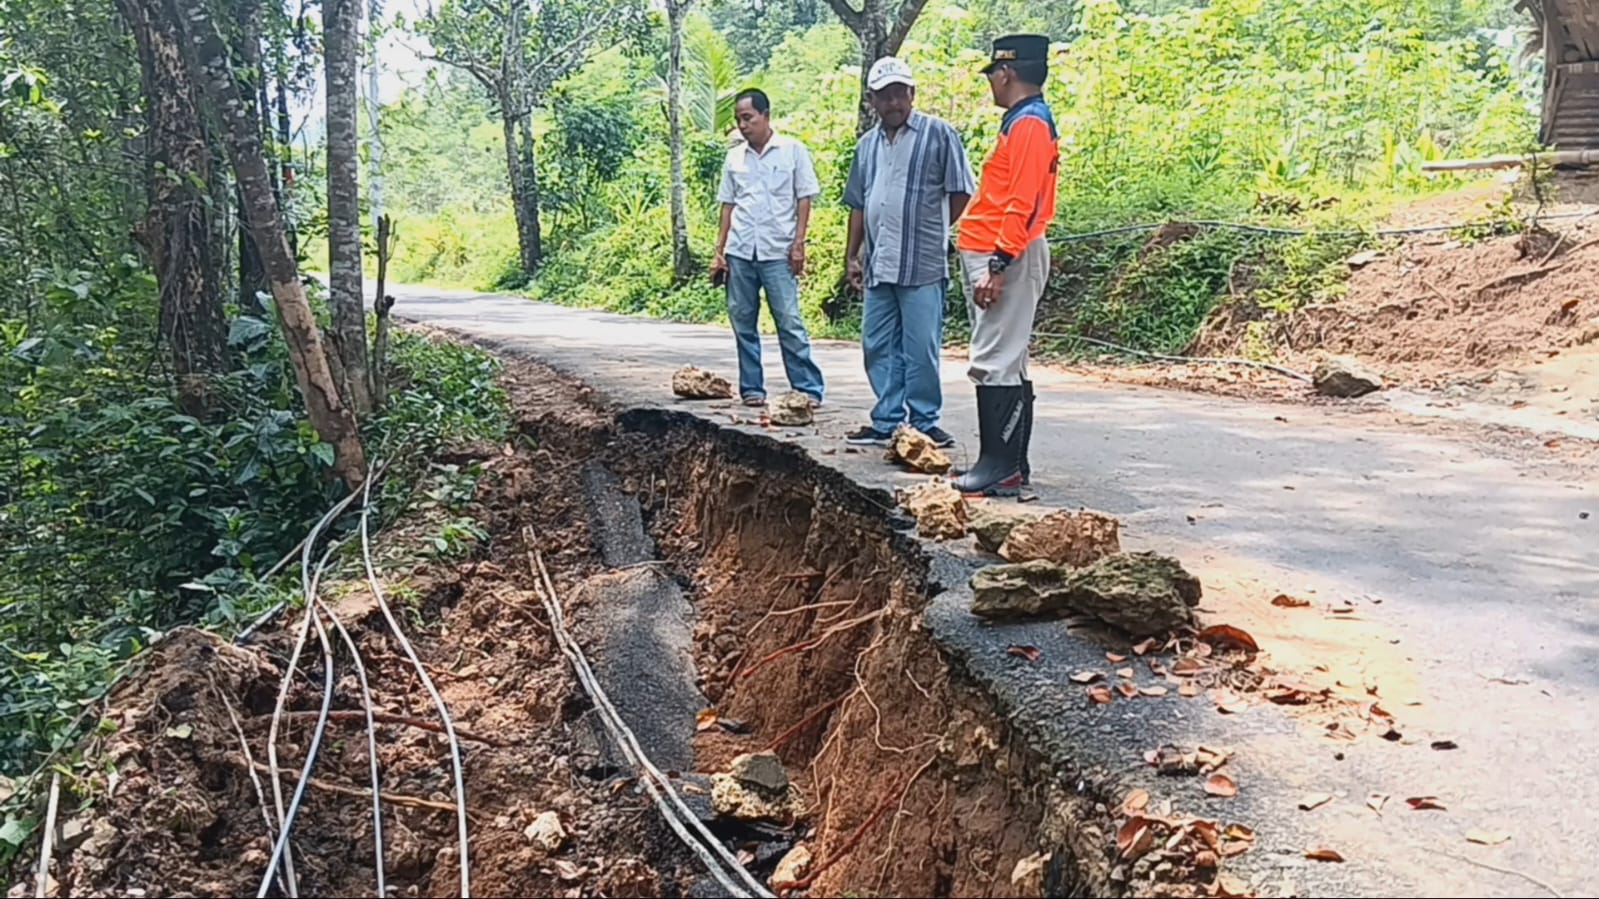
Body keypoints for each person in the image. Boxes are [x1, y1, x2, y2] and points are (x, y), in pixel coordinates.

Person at [841, 57, 976, 449]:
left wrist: (934, 229)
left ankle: (924, 421)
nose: (894, 102)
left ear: (912, 94)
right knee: (877, 344)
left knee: (921, 348)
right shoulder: (867, 145)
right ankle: (886, 420)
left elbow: (962, 190)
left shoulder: (939, 134)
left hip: (923, 261)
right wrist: (853, 255)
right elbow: (859, 204)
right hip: (878, 261)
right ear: (872, 100)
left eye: (900, 93)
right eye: (885, 96)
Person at [951, 34, 1058, 497]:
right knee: (1007, 359)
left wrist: (998, 264)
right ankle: (1011, 463)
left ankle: (999, 465)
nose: (992, 83)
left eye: (994, 74)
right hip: (999, 250)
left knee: (994, 360)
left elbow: (1022, 202)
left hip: (1005, 254)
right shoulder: (1020, 121)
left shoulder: (1030, 123)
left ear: (1007, 73)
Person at [710, 89, 827, 408]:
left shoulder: (792, 151)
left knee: (789, 320)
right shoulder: (734, 157)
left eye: (747, 118)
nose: (743, 126)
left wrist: (799, 243)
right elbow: (728, 206)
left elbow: (804, 197)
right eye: (738, 120)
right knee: (742, 320)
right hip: (741, 250)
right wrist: (719, 251)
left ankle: (807, 388)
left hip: (778, 251)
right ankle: (752, 388)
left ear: (765, 115)